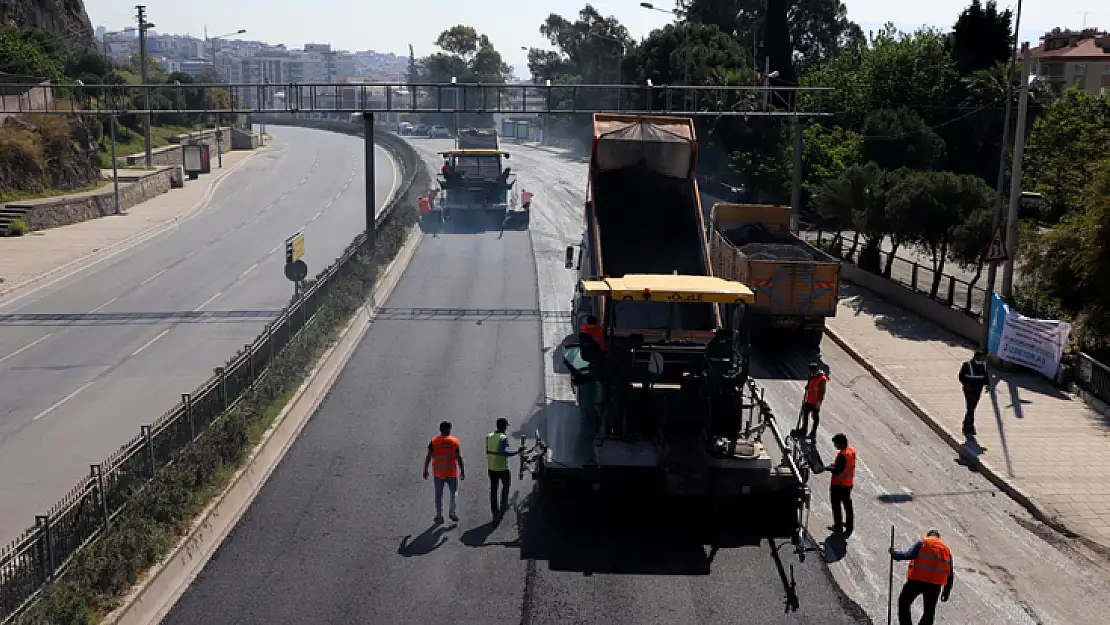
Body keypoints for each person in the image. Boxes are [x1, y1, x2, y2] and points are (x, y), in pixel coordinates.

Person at [891, 529, 954, 625]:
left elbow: (908, 555)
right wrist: (946, 591)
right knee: (929, 612)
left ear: (928, 535)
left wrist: (894, 554)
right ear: (938, 537)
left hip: (916, 580)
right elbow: (950, 573)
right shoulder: (946, 550)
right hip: (934, 585)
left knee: (904, 603)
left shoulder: (923, 542)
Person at [423, 421, 465, 524]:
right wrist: (462, 471)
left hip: (438, 472)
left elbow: (428, 456)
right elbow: (459, 457)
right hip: (451, 472)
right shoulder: (454, 442)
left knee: (438, 494)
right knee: (453, 492)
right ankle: (452, 512)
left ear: (440, 429)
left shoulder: (434, 441)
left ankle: (439, 515)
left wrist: (425, 469)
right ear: (449, 429)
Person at [486, 418, 523, 518]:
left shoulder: (489, 436)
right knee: (506, 485)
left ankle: (495, 511)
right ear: (504, 427)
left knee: (493, 489)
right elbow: (504, 453)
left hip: (491, 467)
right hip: (502, 468)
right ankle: (503, 503)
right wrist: (517, 451)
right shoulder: (503, 438)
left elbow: (488, 451)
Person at [824, 433, 855, 537]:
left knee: (836, 506)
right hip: (848, 484)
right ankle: (849, 526)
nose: (835, 446)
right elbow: (845, 466)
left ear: (841, 443)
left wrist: (828, 468)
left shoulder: (842, 455)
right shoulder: (851, 451)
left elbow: (838, 470)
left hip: (839, 485)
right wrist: (834, 465)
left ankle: (838, 526)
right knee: (848, 506)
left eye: (836, 444)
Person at [958, 350, 988, 436]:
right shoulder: (967, 365)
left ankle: (967, 424)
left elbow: (985, 377)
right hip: (969, 390)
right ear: (976, 357)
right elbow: (961, 376)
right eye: (982, 357)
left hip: (978, 389)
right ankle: (969, 427)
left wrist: (987, 385)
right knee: (970, 408)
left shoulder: (984, 365)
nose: (983, 359)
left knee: (972, 408)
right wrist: (966, 384)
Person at [795, 361, 828, 440]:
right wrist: (807, 387)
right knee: (805, 414)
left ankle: (813, 433)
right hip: (809, 399)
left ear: (816, 369)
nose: (811, 372)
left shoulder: (822, 379)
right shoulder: (811, 375)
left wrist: (819, 402)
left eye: (812, 370)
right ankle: (804, 429)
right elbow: (809, 384)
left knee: (815, 417)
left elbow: (822, 391)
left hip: (816, 402)